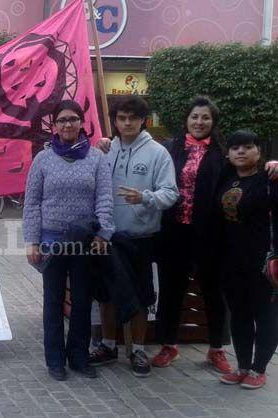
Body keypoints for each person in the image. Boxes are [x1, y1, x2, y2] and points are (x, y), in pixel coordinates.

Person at [24, 99, 114, 381]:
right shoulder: (43, 159)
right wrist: (32, 241)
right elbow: (32, 203)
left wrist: (103, 232)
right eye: (62, 120)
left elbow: (104, 197)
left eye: (73, 119)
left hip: (84, 242)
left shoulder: (96, 159)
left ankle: (79, 357)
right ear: (54, 125)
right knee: (52, 302)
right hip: (51, 241)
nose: (67, 124)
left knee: (83, 302)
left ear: (81, 122)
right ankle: (55, 361)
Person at [89, 96, 178, 377]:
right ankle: (107, 345)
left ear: (143, 120)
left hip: (140, 238)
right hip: (108, 237)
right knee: (106, 295)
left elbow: (171, 193)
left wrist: (145, 198)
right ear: (114, 121)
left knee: (140, 297)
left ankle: (138, 349)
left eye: (132, 118)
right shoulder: (107, 149)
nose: (126, 123)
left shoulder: (157, 153)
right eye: (121, 118)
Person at [151, 97, 232, 372]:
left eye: (205, 117)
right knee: (171, 289)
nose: (199, 122)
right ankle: (168, 344)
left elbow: (247, 170)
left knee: (213, 290)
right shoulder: (169, 149)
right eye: (195, 116)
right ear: (186, 119)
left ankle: (217, 348)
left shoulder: (224, 154)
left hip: (210, 233)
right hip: (174, 231)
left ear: (213, 122)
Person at [215, 130, 278, 390]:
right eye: (235, 148)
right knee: (239, 315)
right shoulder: (226, 180)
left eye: (247, 147)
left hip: (263, 262)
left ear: (258, 151)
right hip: (232, 262)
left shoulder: (270, 180)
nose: (241, 151)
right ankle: (242, 366)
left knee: (265, 315)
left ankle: (259, 368)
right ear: (228, 155)